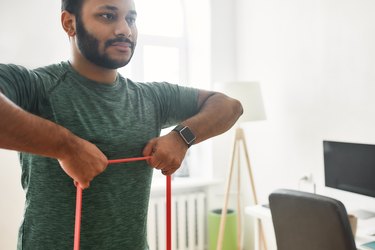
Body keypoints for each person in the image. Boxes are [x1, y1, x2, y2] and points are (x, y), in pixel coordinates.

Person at [0, 0, 243, 249]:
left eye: (131, 19)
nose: (125, 30)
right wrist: (66, 147)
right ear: (69, 23)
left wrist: (182, 137)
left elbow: (229, 106)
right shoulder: (36, 85)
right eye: (107, 16)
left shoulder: (151, 97)